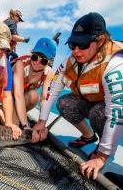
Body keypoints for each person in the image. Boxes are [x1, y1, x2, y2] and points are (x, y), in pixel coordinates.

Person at [33, 12, 123, 179]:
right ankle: (89, 137)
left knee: (99, 113)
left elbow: (117, 112)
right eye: (73, 45)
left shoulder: (116, 63)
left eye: (82, 45)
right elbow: (52, 91)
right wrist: (41, 122)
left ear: (100, 41)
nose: (76, 51)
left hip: (112, 109)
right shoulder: (69, 62)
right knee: (64, 103)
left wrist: (103, 156)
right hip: (90, 99)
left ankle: (101, 146)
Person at [0, 38, 56, 142]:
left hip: (20, 101)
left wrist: (41, 123)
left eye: (43, 60)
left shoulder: (49, 73)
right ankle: (5, 113)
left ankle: (18, 116)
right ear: (31, 54)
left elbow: (44, 98)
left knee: (34, 96)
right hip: (6, 99)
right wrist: (26, 126)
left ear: (48, 62)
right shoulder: (21, 64)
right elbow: (18, 95)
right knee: (14, 126)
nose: (37, 62)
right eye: (34, 57)